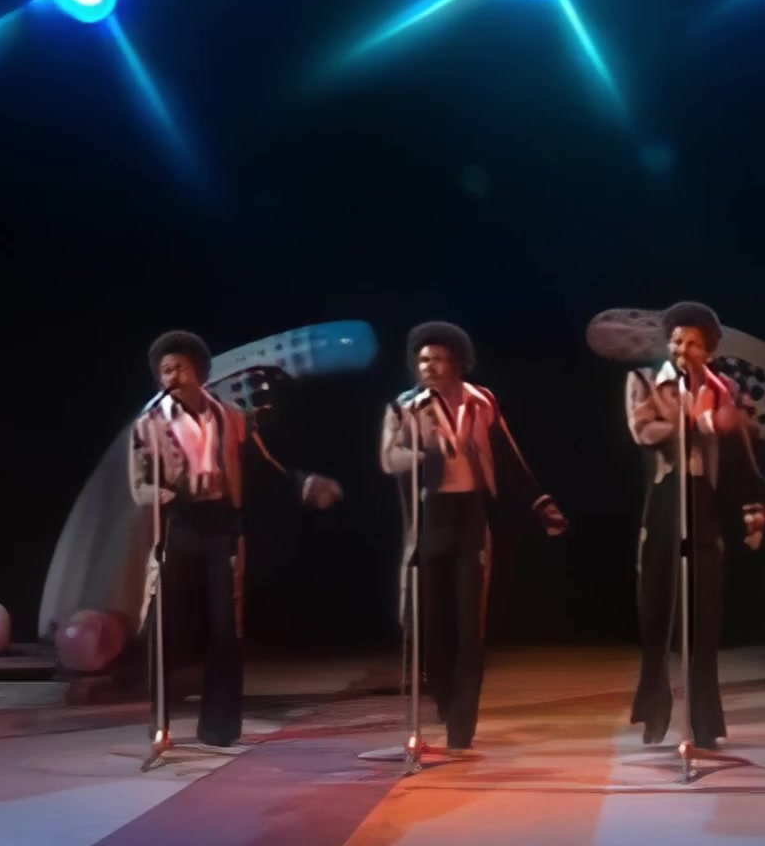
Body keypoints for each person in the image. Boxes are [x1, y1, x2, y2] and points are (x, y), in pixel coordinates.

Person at [131, 330, 343, 748]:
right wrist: (161, 494)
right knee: (166, 623)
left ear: (198, 371)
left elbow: (262, 468)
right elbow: (139, 484)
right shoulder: (150, 423)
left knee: (225, 626)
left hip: (221, 528)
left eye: (178, 368)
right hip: (178, 524)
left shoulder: (230, 418)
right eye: (164, 371)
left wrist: (303, 484)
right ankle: (160, 720)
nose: (170, 377)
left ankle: (219, 727)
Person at [380, 322, 566, 752]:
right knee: (431, 624)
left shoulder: (481, 401)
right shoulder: (404, 407)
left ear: (458, 362)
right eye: (423, 360)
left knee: (470, 627)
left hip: (471, 517)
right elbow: (388, 458)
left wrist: (539, 501)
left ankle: (462, 725)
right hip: (430, 517)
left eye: (438, 359)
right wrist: (422, 455)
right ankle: (445, 699)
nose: (429, 367)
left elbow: (506, 453)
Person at [625, 302, 765, 750]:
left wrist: (753, 507)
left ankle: (704, 723)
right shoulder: (645, 381)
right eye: (676, 340)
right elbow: (643, 431)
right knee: (657, 615)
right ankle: (653, 711)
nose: (682, 349)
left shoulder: (723, 388)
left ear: (708, 350)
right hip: (664, 503)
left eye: (692, 343)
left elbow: (742, 450)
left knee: (705, 620)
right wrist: (697, 420)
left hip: (705, 504)